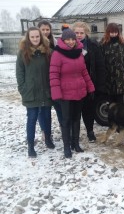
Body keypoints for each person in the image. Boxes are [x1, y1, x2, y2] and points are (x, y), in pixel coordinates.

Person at [49, 29, 95, 158]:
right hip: (65, 94)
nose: (70, 42)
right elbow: (53, 75)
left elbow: (84, 72)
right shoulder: (57, 54)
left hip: (79, 91)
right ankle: (66, 146)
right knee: (66, 120)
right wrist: (56, 93)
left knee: (76, 118)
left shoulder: (79, 53)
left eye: (73, 39)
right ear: (63, 40)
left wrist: (90, 87)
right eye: (68, 39)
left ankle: (75, 143)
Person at [16, 27, 55, 158]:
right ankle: (31, 146)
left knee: (47, 116)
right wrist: (23, 89)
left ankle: (48, 139)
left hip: (46, 91)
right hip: (31, 93)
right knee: (32, 119)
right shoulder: (23, 53)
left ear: (41, 37)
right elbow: (20, 73)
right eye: (32, 37)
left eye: (37, 36)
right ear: (28, 38)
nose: (35, 39)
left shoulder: (48, 52)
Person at [72, 22, 106, 142]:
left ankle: (90, 131)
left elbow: (100, 66)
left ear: (86, 33)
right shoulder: (69, 46)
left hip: (89, 84)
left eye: (82, 33)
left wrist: (100, 86)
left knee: (88, 110)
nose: (79, 35)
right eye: (77, 33)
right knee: (75, 112)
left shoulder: (92, 46)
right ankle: (74, 135)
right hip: (73, 85)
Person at [37, 20, 63, 138]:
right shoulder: (34, 43)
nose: (46, 32)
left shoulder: (55, 43)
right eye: (43, 29)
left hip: (54, 80)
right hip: (42, 81)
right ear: (39, 30)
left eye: (47, 29)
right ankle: (45, 131)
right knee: (44, 110)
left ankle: (65, 129)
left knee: (60, 108)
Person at [100, 23, 124, 104]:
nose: (114, 34)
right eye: (111, 32)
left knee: (120, 103)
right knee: (110, 103)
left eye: (115, 32)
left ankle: (119, 117)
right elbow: (99, 60)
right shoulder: (103, 44)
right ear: (108, 32)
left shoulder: (123, 43)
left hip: (120, 79)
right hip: (108, 79)